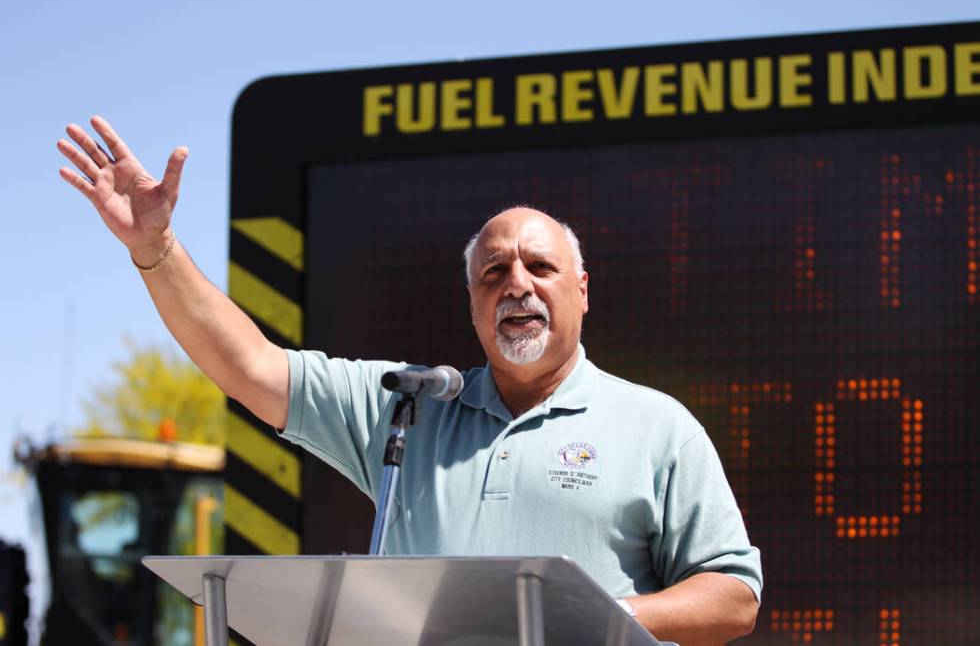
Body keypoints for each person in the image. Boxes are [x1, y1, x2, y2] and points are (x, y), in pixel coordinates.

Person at [58, 117, 761, 644]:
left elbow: (734, 595)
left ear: (581, 290)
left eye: (539, 268)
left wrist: (594, 620)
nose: (516, 283)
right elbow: (250, 366)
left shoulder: (655, 425)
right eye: (493, 273)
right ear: (474, 302)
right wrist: (156, 251)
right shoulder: (408, 408)